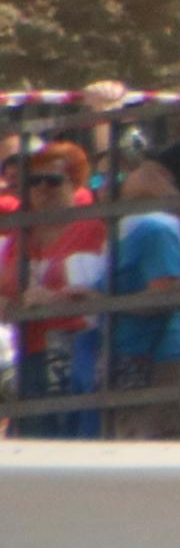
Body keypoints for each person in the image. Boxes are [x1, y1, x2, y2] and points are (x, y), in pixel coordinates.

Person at [6, 141, 107, 438]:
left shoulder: (91, 229)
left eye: (52, 180)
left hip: (77, 349)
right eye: (34, 181)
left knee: (73, 439)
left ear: (74, 183)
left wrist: (52, 299)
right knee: (34, 439)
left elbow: (96, 293)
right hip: (30, 349)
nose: (42, 188)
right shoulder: (22, 235)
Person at [95, 150, 180, 440]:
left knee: (153, 448)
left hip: (156, 360)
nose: (106, 185)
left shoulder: (154, 228)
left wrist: (103, 303)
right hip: (125, 358)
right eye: (98, 178)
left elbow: (165, 293)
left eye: (117, 175)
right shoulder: (121, 230)